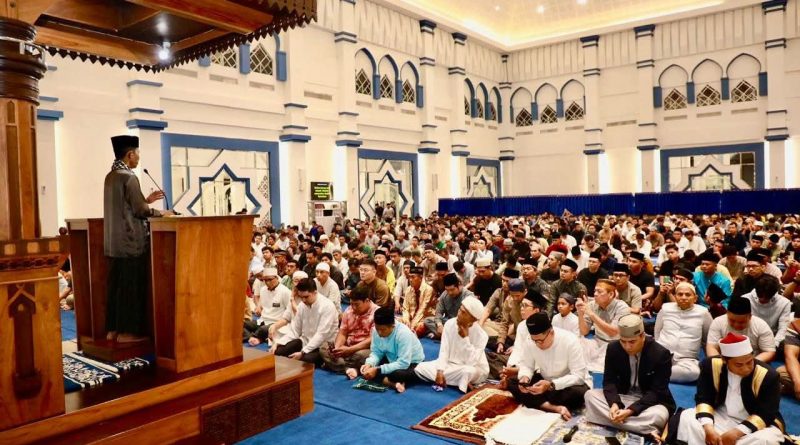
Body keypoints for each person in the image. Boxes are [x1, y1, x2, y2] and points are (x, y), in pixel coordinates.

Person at [103, 135, 173, 343]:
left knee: (116, 288)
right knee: (131, 289)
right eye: (137, 153)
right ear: (130, 154)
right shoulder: (129, 177)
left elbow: (126, 206)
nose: (139, 158)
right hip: (131, 243)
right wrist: (162, 213)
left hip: (113, 243)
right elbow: (140, 211)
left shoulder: (111, 176)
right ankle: (128, 334)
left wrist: (147, 199)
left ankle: (113, 331)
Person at [672, 333, 785, 445]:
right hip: (721, 416)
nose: (746, 368)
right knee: (687, 416)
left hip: (754, 422)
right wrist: (709, 429)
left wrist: (736, 433)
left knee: (766, 440)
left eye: (749, 362)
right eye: (739, 365)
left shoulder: (768, 376)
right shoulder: (710, 365)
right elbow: (704, 399)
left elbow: (766, 413)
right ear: (725, 361)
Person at [585, 314, 675, 440]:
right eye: (623, 341)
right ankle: (642, 429)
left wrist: (630, 411)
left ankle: (616, 421)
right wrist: (614, 404)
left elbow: (657, 392)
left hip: (649, 403)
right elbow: (609, 381)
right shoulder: (613, 348)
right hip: (623, 397)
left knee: (659, 415)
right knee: (590, 396)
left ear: (642, 336)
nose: (627, 346)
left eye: (632, 342)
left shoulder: (660, 354)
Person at [509, 313, 591, 420]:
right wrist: (525, 377)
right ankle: (553, 407)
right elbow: (527, 365)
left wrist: (551, 385)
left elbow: (579, 376)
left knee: (580, 394)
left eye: (541, 341)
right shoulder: (531, 340)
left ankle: (538, 401)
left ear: (551, 333)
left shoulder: (570, 340)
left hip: (567, 385)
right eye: (535, 341)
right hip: (544, 382)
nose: (538, 344)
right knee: (513, 382)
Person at [416, 297, 489, 393]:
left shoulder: (482, 335)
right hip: (450, 365)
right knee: (420, 367)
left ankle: (457, 380)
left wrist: (465, 339)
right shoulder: (449, 324)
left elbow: (472, 362)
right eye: (460, 310)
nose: (459, 314)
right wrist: (440, 370)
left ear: (473, 319)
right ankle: (459, 382)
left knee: (467, 372)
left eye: (463, 313)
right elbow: (444, 351)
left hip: (473, 368)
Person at [351, 306, 425, 393]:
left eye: (383, 330)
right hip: (391, 358)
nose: (379, 333)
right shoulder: (376, 330)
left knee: (397, 374)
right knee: (362, 359)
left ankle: (387, 380)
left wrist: (378, 370)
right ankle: (390, 382)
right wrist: (369, 364)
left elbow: (404, 363)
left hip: (411, 362)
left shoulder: (403, 334)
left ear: (392, 326)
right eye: (378, 329)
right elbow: (376, 352)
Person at [654, 282, 712, 382]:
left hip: (686, 359)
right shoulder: (666, 308)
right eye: (680, 294)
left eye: (688, 294)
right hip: (661, 354)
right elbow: (657, 332)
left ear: (695, 298)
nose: (683, 297)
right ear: (675, 296)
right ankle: (660, 373)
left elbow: (707, 339)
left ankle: (657, 374)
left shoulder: (703, 313)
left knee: (694, 373)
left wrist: (709, 363)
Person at [273, 278, 339, 366]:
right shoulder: (302, 306)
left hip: (322, 347)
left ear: (315, 292)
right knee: (278, 352)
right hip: (305, 341)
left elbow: (321, 335)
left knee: (302, 362)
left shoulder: (328, 306)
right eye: (301, 297)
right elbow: (295, 331)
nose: (303, 300)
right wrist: (278, 343)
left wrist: (303, 352)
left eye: (306, 297)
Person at [319, 285, 377, 374]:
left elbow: (371, 340)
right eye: (351, 304)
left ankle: (337, 365)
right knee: (324, 347)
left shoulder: (377, 313)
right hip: (346, 346)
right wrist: (337, 348)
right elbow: (342, 332)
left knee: (360, 356)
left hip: (363, 349)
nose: (353, 307)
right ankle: (349, 369)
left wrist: (350, 350)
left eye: (357, 304)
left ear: (367, 301)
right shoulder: (349, 310)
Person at [578, 278, 632, 372]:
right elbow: (584, 331)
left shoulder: (622, 308)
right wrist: (580, 314)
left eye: (599, 291)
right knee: (578, 345)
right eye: (595, 291)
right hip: (597, 341)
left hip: (616, 345)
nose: (595, 294)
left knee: (604, 366)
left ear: (611, 294)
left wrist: (591, 314)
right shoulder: (591, 305)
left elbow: (613, 333)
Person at [707, 297, 776, 363]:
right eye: (732, 320)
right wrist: (718, 364)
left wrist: (749, 363)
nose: (736, 325)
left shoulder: (761, 325)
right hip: (724, 362)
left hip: (753, 362)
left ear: (750, 317)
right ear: (727, 313)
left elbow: (769, 351)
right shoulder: (718, 322)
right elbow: (711, 347)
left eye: (741, 322)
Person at [741, 275, 792, 348]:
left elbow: (783, 328)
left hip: (771, 339)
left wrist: (773, 345)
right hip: (747, 338)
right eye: (760, 297)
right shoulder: (745, 299)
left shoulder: (784, 303)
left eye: (766, 299)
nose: (762, 300)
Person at [247, 267, 292, 346]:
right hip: (262, 320)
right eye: (265, 280)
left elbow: (289, 312)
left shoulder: (285, 292)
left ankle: (256, 336)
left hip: (276, 322)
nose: (267, 282)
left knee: (263, 329)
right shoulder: (263, 289)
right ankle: (255, 336)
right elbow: (261, 303)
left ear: (276, 278)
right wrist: (258, 307)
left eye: (270, 280)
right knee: (243, 324)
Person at [424, 273, 474, 339]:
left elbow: (470, 319)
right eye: (447, 290)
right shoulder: (444, 295)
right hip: (449, 322)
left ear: (459, 286)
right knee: (428, 320)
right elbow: (438, 313)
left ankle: (445, 335)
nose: (450, 293)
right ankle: (448, 335)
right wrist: (439, 325)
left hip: (462, 324)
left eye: (452, 290)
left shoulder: (468, 296)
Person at [401, 266, 436, 337]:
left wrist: (412, 326)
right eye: (409, 277)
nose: (410, 280)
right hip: (411, 317)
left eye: (413, 277)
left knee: (419, 328)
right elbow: (405, 308)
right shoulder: (408, 289)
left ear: (420, 278)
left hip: (424, 317)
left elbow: (423, 310)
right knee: (395, 322)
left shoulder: (429, 289)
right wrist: (406, 320)